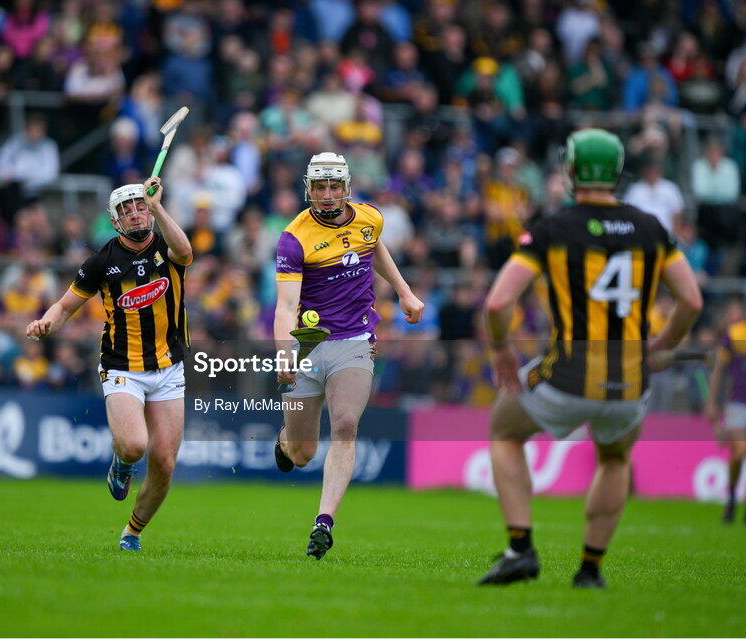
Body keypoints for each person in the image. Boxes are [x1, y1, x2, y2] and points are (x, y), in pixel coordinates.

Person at [478, 129, 702, 588]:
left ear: (572, 170)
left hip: (568, 373)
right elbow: (692, 301)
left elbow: (498, 303)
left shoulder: (554, 228)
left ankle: (520, 548)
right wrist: (665, 344)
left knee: (504, 431)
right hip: (631, 380)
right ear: (617, 173)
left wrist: (501, 348)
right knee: (615, 459)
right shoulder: (651, 227)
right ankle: (590, 569)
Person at [272, 152, 425, 559]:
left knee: (345, 425)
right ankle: (285, 441)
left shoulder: (370, 217)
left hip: (355, 339)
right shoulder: (294, 238)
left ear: (346, 187)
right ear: (309, 189)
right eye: (320, 187)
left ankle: (323, 522)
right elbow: (285, 306)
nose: (327, 195)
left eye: (334, 186)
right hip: (307, 344)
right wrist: (283, 354)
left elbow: (374, 248)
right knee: (302, 454)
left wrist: (404, 292)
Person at [26, 178, 192, 552]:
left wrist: (158, 206)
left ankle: (132, 532)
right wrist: (45, 323)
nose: (134, 214)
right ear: (115, 221)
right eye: (125, 210)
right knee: (134, 446)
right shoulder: (101, 261)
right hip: (122, 367)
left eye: (140, 207)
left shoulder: (167, 246)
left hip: (169, 367)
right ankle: (121, 462)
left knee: (164, 463)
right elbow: (65, 307)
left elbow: (185, 251)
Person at [704, 299, 746, 523]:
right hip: (738, 402)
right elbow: (719, 369)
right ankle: (731, 499)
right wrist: (712, 401)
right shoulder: (736, 334)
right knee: (739, 452)